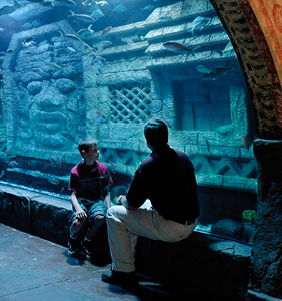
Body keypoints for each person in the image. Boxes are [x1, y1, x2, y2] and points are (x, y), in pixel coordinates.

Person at [102, 119, 200, 288]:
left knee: (114, 214)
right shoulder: (183, 158)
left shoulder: (147, 165)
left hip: (171, 228)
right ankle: (128, 264)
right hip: (191, 223)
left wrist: (121, 199)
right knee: (143, 206)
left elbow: (131, 204)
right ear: (167, 137)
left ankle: (123, 272)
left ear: (147, 141)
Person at [68, 138, 112, 261]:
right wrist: (78, 208)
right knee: (78, 221)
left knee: (100, 218)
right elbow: (73, 194)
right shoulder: (75, 171)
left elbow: (106, 192)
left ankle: (87, 242)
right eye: (94, 150)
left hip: (97, 202)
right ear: (84, 153)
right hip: (81, 201)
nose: (98, 152)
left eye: (98, 149)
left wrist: (109, 209)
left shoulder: (103, 169)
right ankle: (73, 240)